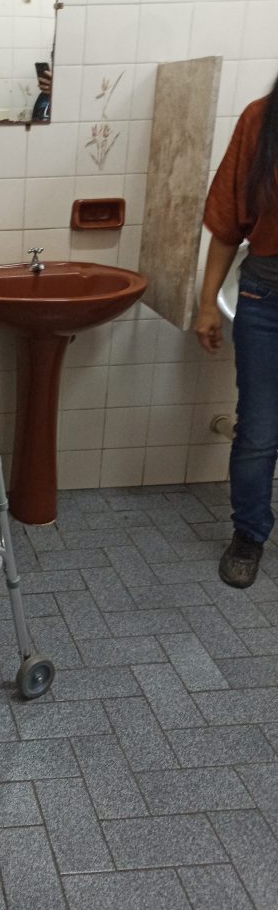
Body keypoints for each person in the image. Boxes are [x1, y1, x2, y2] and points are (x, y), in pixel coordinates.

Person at [195, 71, 278, 589]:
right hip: (266, 297)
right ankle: (249, 535)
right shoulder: (261, 119)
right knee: (258, 432)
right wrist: (207, 302)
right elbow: (228, 223)